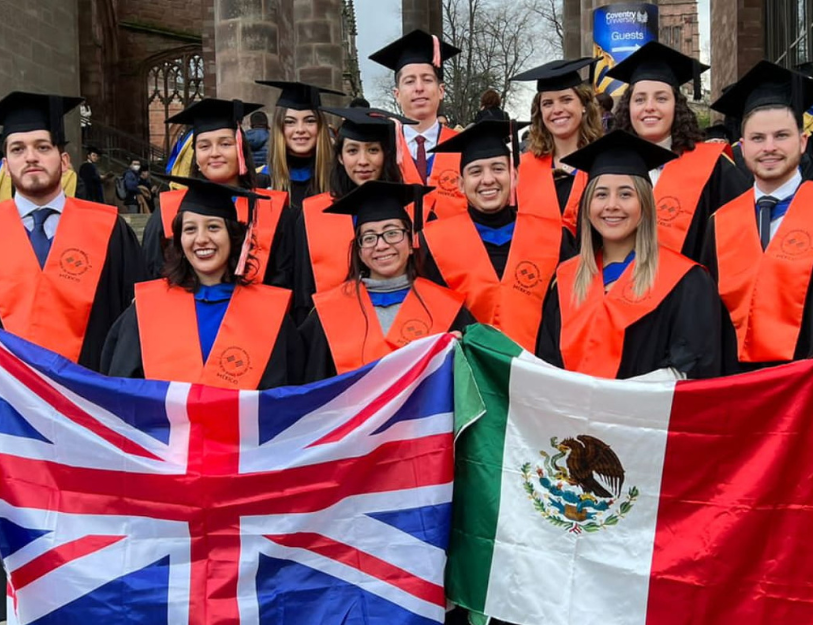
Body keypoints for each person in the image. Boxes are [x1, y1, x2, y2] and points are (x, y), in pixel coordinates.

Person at [536, 130, 721, 379]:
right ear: (588, 206)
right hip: (573, 415)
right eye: (601, 194)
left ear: (645, 205)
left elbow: (696, 370)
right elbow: (547, 371)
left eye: (625, 194)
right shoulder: (565, 281)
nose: (612, 205)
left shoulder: (686, 282)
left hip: (647, 415)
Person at [102, 176, 303, 389]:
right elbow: (120, 390)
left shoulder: (268, 312)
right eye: (190, 229)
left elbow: (289, 395)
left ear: (233, 236)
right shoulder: (146, 309)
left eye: (214, 227)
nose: (201, 239)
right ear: (179, 240)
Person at [0, 91, 145, 371]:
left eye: (43, 147)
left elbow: (136, 322)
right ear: (5, 166)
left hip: (93, 396)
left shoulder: (108, 229)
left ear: (64, 161)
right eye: (18, 149)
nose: (31, 157)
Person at [420, 120, 574, 352]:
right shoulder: (431, 243)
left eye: (498, 168)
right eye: (475, 171)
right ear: (461, 184)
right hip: (466, 376)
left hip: (541, 375)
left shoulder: (554, 237)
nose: (488, 179)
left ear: (514, 177)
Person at [300, 181, 473, 381]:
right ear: (359, 250)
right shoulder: (328, 311)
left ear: (411, 243)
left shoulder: (446, 307)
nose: (381, 245)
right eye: (369, 237)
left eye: (392, 233)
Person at [703, 61, 813, 373]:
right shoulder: (720, 223)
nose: (769, 148)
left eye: (781, 136)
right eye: (757, 138)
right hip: (737, 389)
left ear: (802, 142)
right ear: (742, 146)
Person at [607, 41, 750, 261]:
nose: (650, 107)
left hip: (691, 291)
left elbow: (739, 239)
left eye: (661, 98)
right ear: (629, 108)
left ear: (677, 106)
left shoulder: (713, 167)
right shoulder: (608, 168)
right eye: (640, 99)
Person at [141, 98, 293, 288]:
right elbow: (154, 280)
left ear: (241, 150)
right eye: (204, 146)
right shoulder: (167, 213)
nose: (214, 153)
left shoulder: (273, 211)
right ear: (195, 157)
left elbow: (285, 280)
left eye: (225, 144)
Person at [293, 106, 409, 324]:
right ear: (340, 157)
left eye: (373, 150)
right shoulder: (313, 215)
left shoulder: (408, 210)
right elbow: (302, 292)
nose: (363, 161)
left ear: (386, 155)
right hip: (333, 333)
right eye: (353, 150)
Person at [370, 29, 468, 219]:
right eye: (409, 81)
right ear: (397, 95)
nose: (419, 88)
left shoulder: (464, 145)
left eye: (427, 79)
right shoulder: (383, 148)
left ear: (441, 91)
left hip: (454, 244)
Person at [511, 57, 604, 235]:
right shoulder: (523, 168)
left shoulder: (603, 162)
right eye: (548, 103)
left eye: (566, 99)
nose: (557, 110)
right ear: (540, 112)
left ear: (584, 105)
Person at [256, 80, 343, 217]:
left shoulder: (338, 180)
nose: (300, 129)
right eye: (290, 122)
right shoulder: (262, 183)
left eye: (310, 121)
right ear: (280, 128)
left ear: (321, 127)